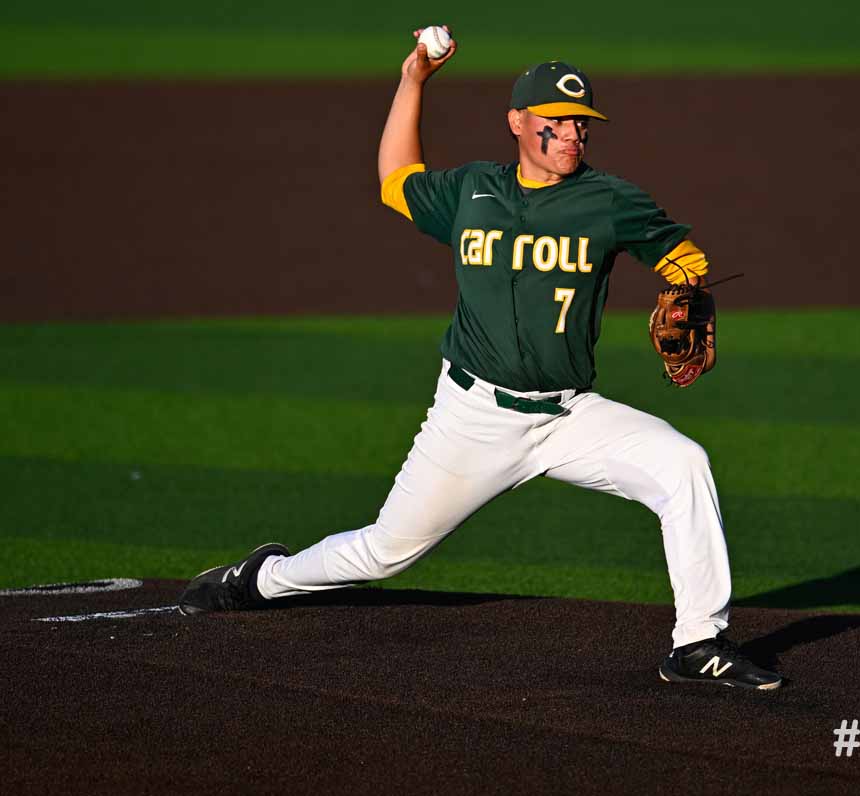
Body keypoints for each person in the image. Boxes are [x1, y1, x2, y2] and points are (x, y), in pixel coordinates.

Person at [178, 29, 782, 691]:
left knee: (683, 464)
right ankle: (262, 580)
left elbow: (680, 253)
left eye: (582, 124)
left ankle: (697, 642)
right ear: (519, 123)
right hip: (473, 417)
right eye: (558, 123)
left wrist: (688, 287)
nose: (574, 136)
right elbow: (394, 182)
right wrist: (415, 79)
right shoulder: (472, 192)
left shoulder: (610, 201)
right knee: (385, 550)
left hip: (568, 416)